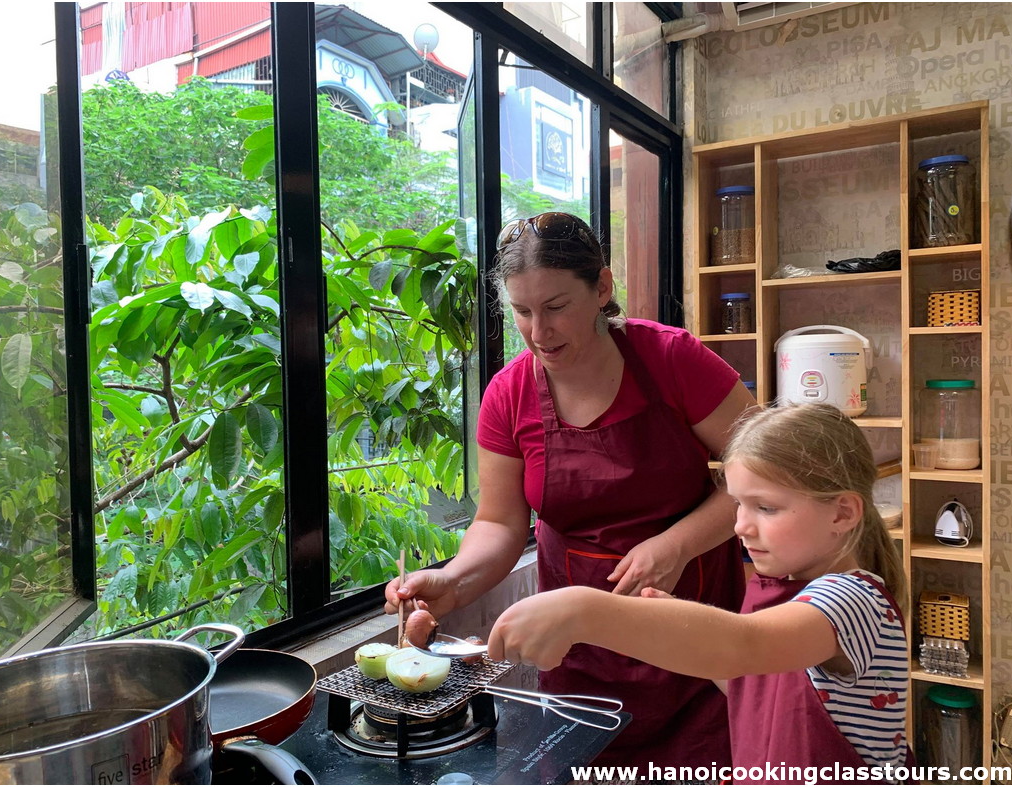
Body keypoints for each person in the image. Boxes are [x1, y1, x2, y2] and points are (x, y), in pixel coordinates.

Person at [385, 211, 754, 768]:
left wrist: (675, 546)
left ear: (602, 287)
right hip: (578, 652)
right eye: (522, 312)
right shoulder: (507, 395)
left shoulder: (672, 360)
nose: (538, 332)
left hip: (694, 635)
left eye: (556, 307)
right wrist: (453, 582)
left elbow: (766, 474)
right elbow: (500, 523)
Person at [488, 402, 912, 782]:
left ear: (842, 512)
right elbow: (751, 682)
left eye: (765, 507)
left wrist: (582, 610)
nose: (741, 525)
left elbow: (744, 646)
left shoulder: (855, 599)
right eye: (739, 504)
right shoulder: (778, 587)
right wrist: (669, 618)